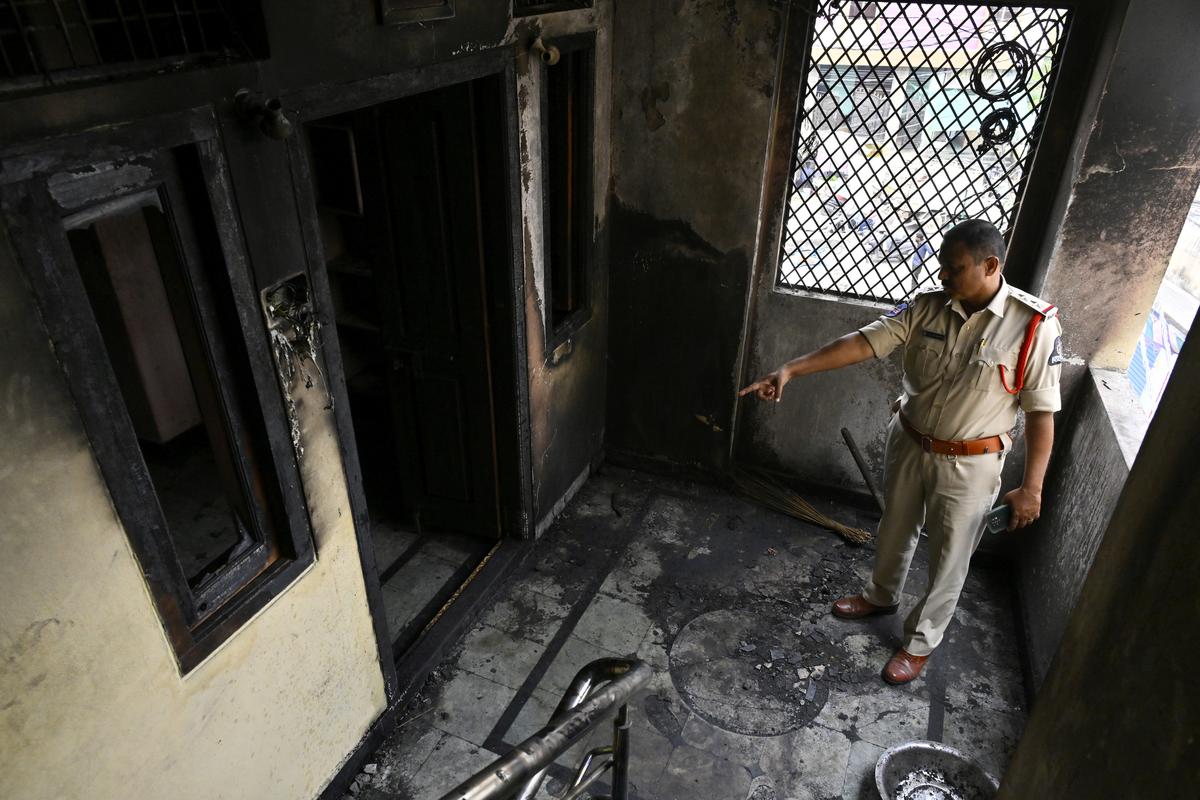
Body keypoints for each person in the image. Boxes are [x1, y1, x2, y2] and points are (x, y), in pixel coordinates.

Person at [739, 219, 1063, 684]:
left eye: (954, 269)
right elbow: (865, 343)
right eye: (941, 267)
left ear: (990, 265)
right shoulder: (928, 308)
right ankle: (880, 595)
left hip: (971, 463)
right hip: (909, 441)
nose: (943, 278)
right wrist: (792, 369)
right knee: (894, 525)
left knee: (950, 557)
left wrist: (1031, 487)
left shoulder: (1033, 326)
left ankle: (918, 643)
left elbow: (1040, 415)